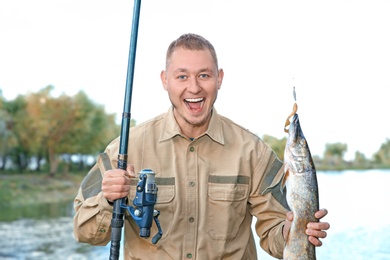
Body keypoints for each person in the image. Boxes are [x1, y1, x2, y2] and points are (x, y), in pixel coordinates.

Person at [73, 33, 330, 259]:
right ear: (165, 80)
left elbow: (275, 234)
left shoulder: (254, 152)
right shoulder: (123, 148)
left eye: (204, 75)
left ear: (219, 78)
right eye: (182, 76)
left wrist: (291, 231)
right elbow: (84, 231)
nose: (193, 87)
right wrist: (108, 199)